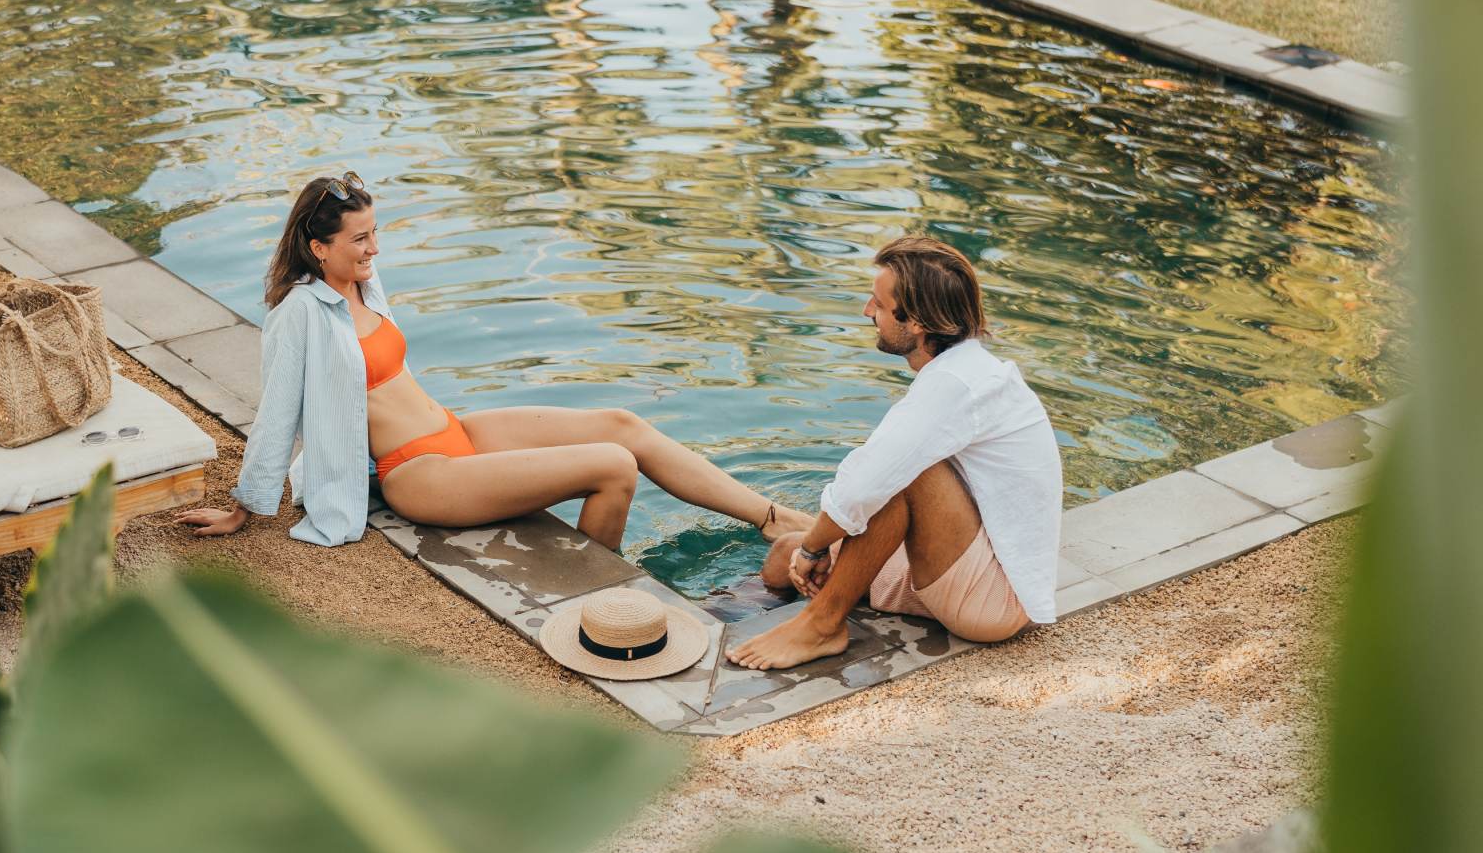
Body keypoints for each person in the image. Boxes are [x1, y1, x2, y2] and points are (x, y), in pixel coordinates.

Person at [179, 172, 812, 548]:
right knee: (613, 467)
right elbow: (278, 411)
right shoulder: (297, 314)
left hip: (455, 431)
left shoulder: (363, 285)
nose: (375, 247)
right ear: (318, 247)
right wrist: (246, 505)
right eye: (360, 238)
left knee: (623, 424)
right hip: (417, 471)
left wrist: (367, 263)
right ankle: (599, 595)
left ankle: (772, 517)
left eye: (376, 231)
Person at [728, 235, 1061, 670]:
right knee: (782, 556)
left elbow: (867, 483)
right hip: (963, 562)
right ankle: (725, 617)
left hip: (993, 599)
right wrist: (806, 548)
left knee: (901, 477)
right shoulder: (960, 370)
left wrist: (815, 548)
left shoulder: (956, 383)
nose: (868, 311)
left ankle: (821, 625)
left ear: (918, 321)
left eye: (878, 304)